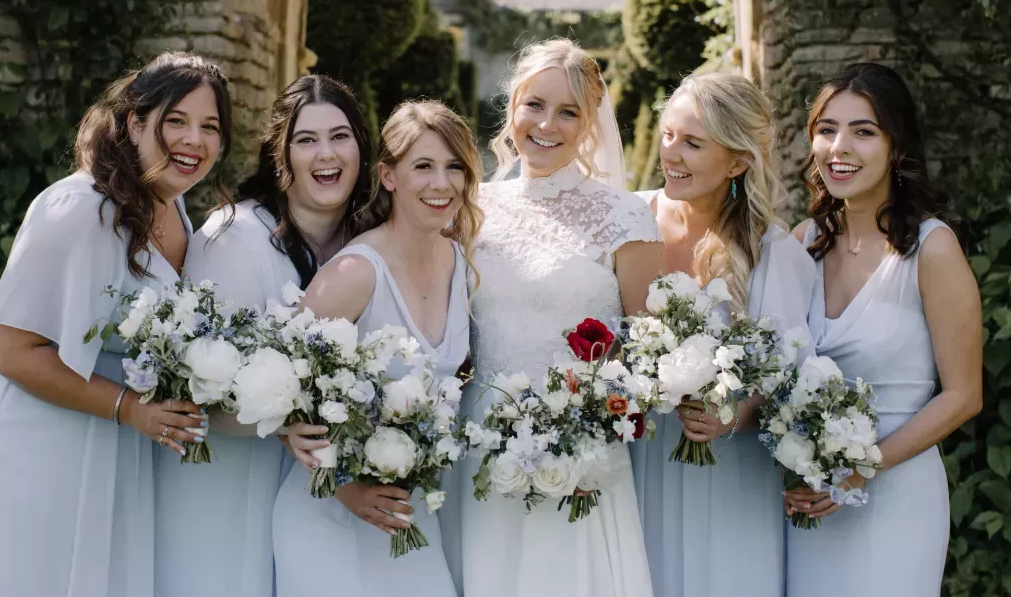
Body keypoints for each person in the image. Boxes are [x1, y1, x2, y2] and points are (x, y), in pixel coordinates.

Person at [0, 51, 232, 597]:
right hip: (25, 435)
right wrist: (130, 408)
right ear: (134, 121)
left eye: (210, 126)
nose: (194, 140)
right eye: (176, 120)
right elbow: (9, 351)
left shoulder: (174, 210)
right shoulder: (78, 208)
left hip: (102, 431)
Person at [458, 38, 664, 597]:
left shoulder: (625, 215)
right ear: (513, 109)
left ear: (589, 125)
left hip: (581, 457)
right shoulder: (473, 209)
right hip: (481, 448)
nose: (547, 124)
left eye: (568, 111)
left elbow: (650, 347)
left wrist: (584, 420)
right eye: (535, 105)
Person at [154, 75, 373, 597]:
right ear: (281, 153)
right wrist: (281, 425)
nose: (326, 154)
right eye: (306, 139)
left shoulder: (369, 242)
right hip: (228, 488)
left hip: (323, 500)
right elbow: (195, 393)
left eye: (340, 136)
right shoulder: (235, 238)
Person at [786, 62, 983, 596]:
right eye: (826, 130)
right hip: (808, 504)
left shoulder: (932, 249)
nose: (838, 147)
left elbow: (964, 396)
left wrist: (856, 472)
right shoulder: (802, 242)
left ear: (896, 147)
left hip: (895, 497)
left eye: (863, 131)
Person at [272, 100, 481, 597]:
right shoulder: (356, 271)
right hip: (330, 517)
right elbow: (278, 390)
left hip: (409, 520)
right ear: (388, 175)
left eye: (455, 167)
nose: (442, 183)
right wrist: (345, 488)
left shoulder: (460, 261)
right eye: (423, 166)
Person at [629, 72, 817, 597]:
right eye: (668, 136)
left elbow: (791, 384)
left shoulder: (772, 253)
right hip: (636, 466)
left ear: (737, 161)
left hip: (729, 478)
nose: (672, 154)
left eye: (693, 143)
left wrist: (733, 413)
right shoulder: (627, 220)